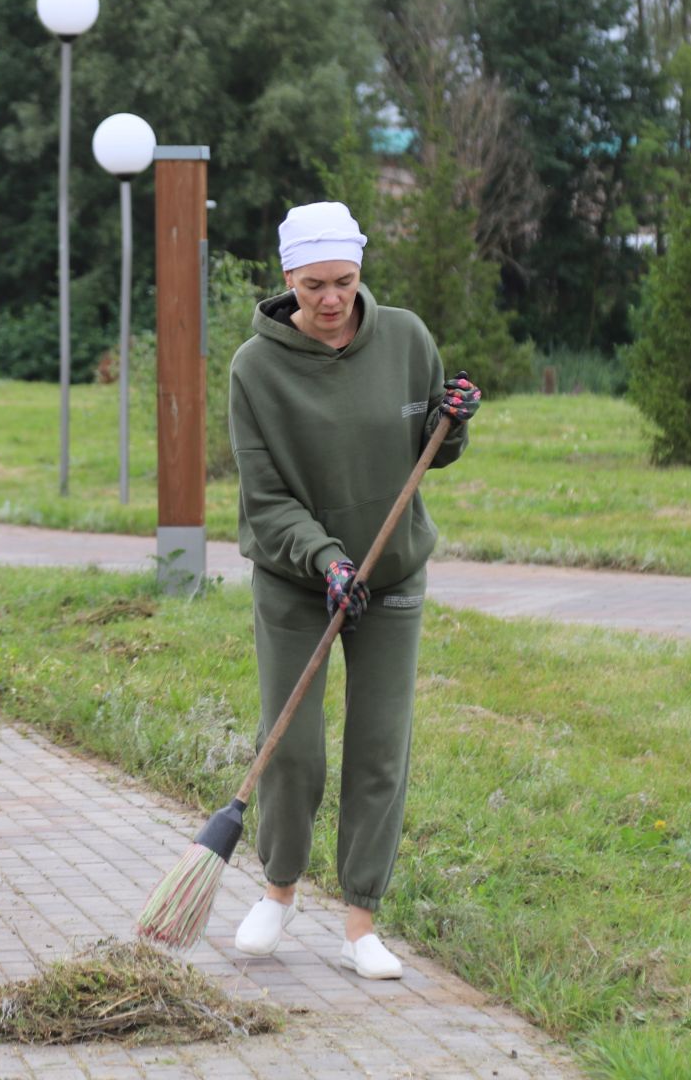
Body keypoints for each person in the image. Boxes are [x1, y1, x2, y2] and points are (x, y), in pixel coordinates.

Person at [225, 202, 482, 979]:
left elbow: (433, 449)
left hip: (392, 574)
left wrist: (456, 420)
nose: (332, 300)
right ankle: (277, 891)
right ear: (287, 280)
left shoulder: (406, 338)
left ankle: (361, 922)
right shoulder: (254, 368)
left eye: (344, 281)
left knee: (379, 751)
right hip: (299, 581)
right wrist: (327, 561)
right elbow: (266, 501)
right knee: (293, 748)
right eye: (314, 286)